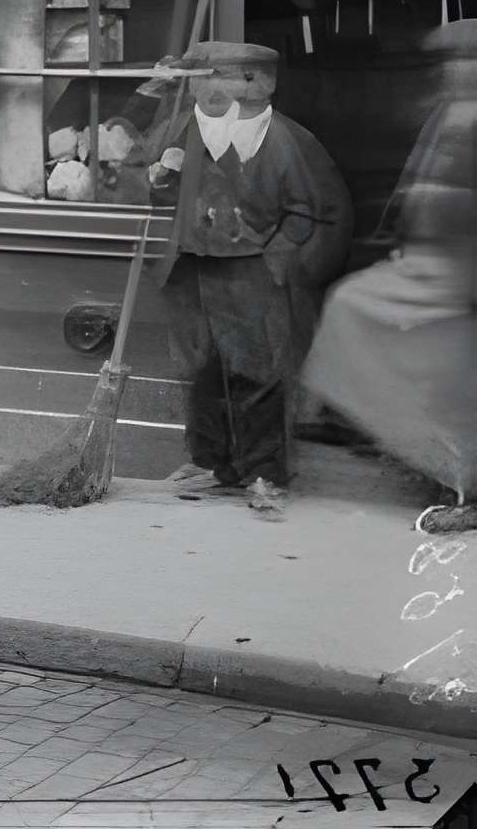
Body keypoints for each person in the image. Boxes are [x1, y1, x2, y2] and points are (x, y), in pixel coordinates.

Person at [126, 40, 353, 518]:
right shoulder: (180, 131)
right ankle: (212, 464)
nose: (209, 91)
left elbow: (317, 212)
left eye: (218, 80)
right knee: (200, 369)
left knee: (259, 374)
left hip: (253, 271)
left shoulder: (288, 141)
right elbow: (141, 186)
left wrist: (277, 261)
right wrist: (158, 182)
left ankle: (265, 474)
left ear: (253, 86)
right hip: (191, 269)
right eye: (204, 81)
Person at [301, 20, 477, 532]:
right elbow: (423, 189)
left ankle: (466, 491)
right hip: (432, 263)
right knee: (351, 305)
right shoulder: (448, 115)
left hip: (463, 272)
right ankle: (391, 438)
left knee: (454, 380)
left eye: (469, 63)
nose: (459, 72)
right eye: (453, 64)